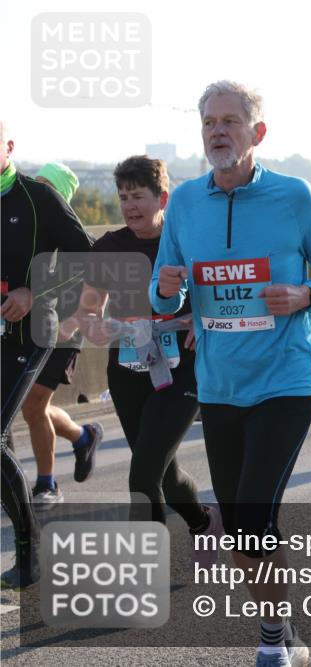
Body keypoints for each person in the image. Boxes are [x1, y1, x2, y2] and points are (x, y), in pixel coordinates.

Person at [149, 81, 311, 667]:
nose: (218, 131)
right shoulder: (185, 202)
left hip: (286, 380)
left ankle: (270, 644)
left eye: (231, 121)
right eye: (209, 122)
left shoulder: (293, 196)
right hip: (219, 385)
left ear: (256, 133)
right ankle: (281, 620)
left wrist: (307, 292)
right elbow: (166, 295)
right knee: (243, 528)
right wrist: (166, 290)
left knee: (253, 514)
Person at [61, 155, 222, 562]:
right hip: (128, 369)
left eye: (138, 196)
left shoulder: (188, 242)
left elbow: (218, 298)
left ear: (162, 197)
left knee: (143, 473)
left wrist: (202, 325)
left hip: (181, 368)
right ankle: (203, 520)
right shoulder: (111, 245)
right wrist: (90, 322)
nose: (129, 205)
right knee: (162, 472)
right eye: (123, 197)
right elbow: (89, 307)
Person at [1, 120, 96, 589]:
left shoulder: (37, 197)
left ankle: (29, 552)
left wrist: (33, 291)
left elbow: (88, 257)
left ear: (9, 146)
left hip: (32, 334)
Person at [18, 161, 104, 509]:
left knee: (34, 403)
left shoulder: (74, 237)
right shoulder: (25, 230)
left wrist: (75, 322)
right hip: (26, 329)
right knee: (30, 406)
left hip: (64, 331)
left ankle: (46, 484)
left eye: (45, 187)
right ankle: (82, 436)